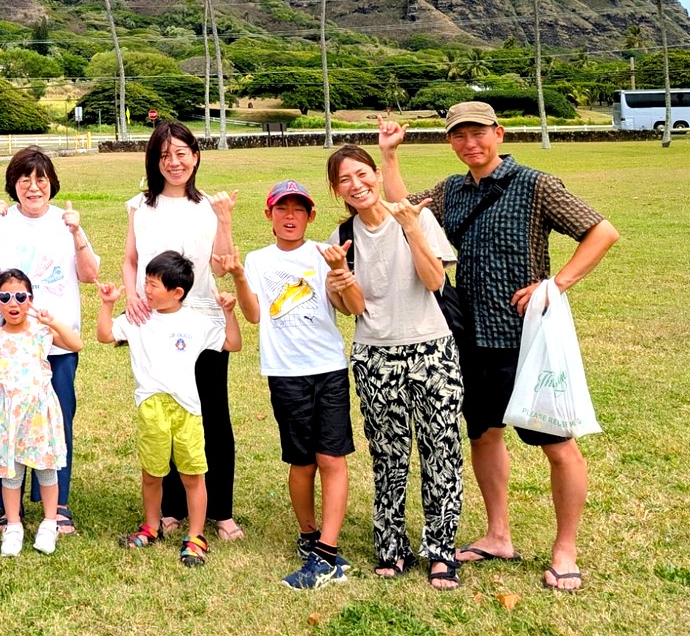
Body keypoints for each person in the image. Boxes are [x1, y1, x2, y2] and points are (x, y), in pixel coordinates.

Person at [378, 103, 620, 592]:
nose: (470, 143)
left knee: (557, 443)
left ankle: (565, 548)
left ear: (498, 133)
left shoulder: (535, 184)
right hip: (468, 338)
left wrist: (556, 283)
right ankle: (498, 534)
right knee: (484, 435)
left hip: (524, 338)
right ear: (451, 142)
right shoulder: (452, 190)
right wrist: (389, 158)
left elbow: (602, 231)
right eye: (459, 136)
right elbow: (403, 212)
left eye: (479, 133)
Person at [326, 144, 465, 589]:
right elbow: (354, 309)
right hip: (375, 356)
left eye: (363, 174)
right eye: (345, 179)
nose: (357, 185)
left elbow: (435, 281)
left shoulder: (417, 217)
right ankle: (391, 545)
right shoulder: (342, 236)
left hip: (431, 350)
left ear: (376, 175)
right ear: (337, 190)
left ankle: (441, 551)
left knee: (440, 450)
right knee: (388, 454)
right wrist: (342, 281)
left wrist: (411, 229)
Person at [120, 120, 243, 541]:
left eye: (181, 153)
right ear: (155, 161)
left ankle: (221, 511)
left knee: (211, 414)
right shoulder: (141, 205)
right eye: (164, 155)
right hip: (155, 320)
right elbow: (131, 259)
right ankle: (171, 507)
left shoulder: (209, 204)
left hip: (203, 321)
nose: (174, 163)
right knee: (164, 412)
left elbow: (224, 262)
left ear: (195, 156)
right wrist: (134, 296)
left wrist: (224, 219)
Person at [0, 145, 99, 534]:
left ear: (51, 184)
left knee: (57, 419)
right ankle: (7, 507)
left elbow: (91, 273)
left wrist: (77, 232)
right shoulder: (3, 221)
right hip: (11, 348)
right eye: (24, 178)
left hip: (56, 344)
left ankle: (57, 505)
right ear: (13, 184)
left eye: (40, 178)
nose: (32, 186)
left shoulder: (66, 221)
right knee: (9, 420)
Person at [239, 179, 355, 590]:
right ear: (269, 215)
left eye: (299, 209)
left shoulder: (324, 255)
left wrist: (340, 272)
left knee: (332, 459)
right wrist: (237, 273)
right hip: (285, 372)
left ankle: (326, 551)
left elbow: (348, 307)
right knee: (301, 461)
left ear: (311, 216)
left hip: (328, 368)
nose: (290, 216)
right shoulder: (256, 260)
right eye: (282, 209)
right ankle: (308, 536)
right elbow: (253, 315)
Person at [96, 251, 242, 569]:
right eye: (146, 282)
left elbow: (232, 344)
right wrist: (108, 304)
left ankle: (195, 537)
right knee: (152, 473)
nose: (146, 290)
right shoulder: (137, 318)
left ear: (177, 292)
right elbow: (105, 335)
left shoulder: (196, 322)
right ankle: (151, 526)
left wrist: (229, 313)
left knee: (193, 474)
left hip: (187, 409)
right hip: (151, 406)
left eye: (153, 285)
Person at [0, 268, 83, 556]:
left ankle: (49, 524)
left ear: (30, 300)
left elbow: (77, 344)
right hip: (10, 417)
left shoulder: (41, 332)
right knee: (11, 474)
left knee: (47, 469)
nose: (14, 303)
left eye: (21, 296)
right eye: (5, 297)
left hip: (41, 413)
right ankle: (14, 526)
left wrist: (54, 322)